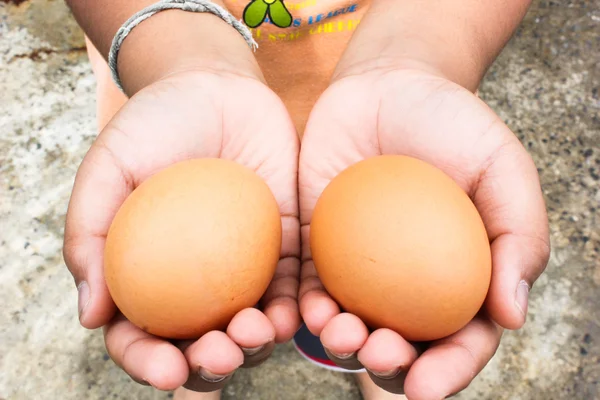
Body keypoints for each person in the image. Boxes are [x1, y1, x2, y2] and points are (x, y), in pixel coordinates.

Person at [61, 0, 550, 399]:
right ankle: (199, 367)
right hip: (185, 123)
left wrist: (416, 55)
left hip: (388, 131)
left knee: (352, 311)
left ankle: (372, 352)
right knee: (199, 323)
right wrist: (178, 60)